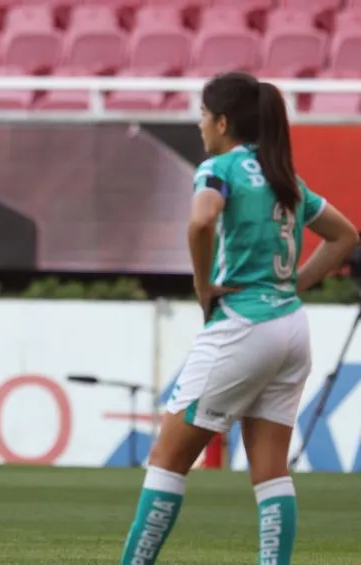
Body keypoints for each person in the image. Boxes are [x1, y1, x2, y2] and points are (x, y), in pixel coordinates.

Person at [118, 72, 359, 565]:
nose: (201, 126)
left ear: (223, 121)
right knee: (271, 469)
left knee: (166, 458)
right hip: (291, 328)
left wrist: (203, 283)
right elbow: (346, 235)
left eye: (204, 116)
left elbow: (202, 219)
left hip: (241, 324)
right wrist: (292, 285)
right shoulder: (284, 175)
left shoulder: (219, 168)